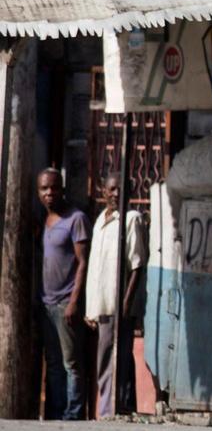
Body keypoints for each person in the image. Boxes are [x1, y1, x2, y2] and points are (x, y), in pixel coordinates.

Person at [84, 173, 144, 418]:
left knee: (112, 359)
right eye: (112, 189)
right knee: (114, 359)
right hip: (101, 305)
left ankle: (110, 411)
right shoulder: (101, 220)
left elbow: (137, 266)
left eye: (121, 189)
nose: (116, 194)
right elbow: (96, 268)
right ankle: (122, 409)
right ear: (104, 191)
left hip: (117, 306)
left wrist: (125, 304)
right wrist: (91, 308)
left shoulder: (131, 219)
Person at [37, 168, 91, 420]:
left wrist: (74, 301)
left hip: (65, 302)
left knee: (71, 363)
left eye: (54, 187)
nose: (49, 193)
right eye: (44, 188)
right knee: (53, 362)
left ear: (62, 189)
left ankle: (73, 415)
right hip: (46, 302)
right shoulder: (45, 220)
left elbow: (83, 262)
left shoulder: (76, 219)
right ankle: (56, 412)